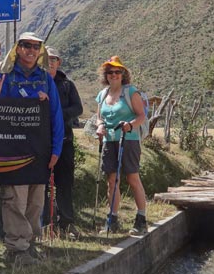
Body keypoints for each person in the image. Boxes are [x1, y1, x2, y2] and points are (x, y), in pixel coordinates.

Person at [0, 32, 64, 266]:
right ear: (18, 49)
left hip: (40, 150)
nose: (31, 50)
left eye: (36, 46)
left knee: (36, 201)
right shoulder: (6, 77)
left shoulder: (45, 78)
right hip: (14, 151)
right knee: (15, 200)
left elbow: (56, 115)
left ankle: (31, 243)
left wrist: (56, 149)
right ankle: (16, 248)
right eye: (26, 46)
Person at [95, 56, 148, 235]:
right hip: (109, 140)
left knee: (132, 178)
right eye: (110, 72)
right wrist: (100, 126)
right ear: (106, 75)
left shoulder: (131, 92)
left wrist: (130, 125)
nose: (114, 75)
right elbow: (99, 117)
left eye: (118, 71)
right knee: (112, 180)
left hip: (129, 140)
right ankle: (112, 219)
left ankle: (141, 219)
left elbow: (141, 116)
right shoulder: (102, 95)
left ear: (123, 74)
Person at [43, 46, 83, 239]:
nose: (50, 62)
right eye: (47, 58)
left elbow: (78, 108)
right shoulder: (37, 82)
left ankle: (67, 223)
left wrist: (58, 115)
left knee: (65, 183)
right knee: (41, 185)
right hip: (42, 144)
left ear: (59, 62)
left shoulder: (68, 84)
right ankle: (43, 225)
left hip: (65, 141)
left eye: (54, 59)